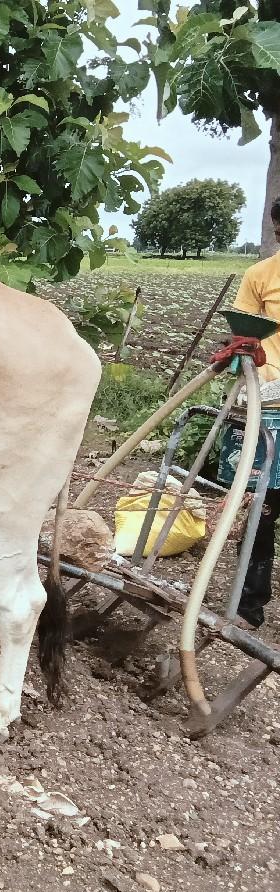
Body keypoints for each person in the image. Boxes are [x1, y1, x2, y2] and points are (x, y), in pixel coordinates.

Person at [228, 197, 280, 627]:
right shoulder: (260, 276)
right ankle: (250, 605)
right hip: (271, 401)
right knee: (258, 506)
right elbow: (243, 337)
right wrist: (240, 365)